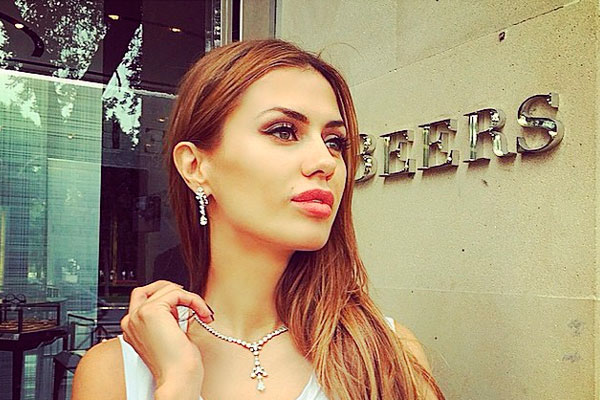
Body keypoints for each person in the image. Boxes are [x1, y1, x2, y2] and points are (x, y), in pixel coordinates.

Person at [71, 39, 446, 400]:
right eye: (284, 131)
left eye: (334, 141)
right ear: (196, 166)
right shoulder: (115, 373)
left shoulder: (388, 353)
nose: (326, 162)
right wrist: (177, 380)